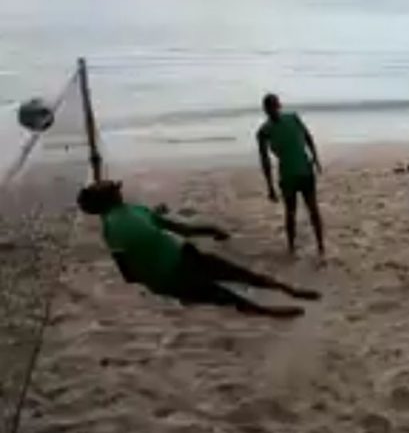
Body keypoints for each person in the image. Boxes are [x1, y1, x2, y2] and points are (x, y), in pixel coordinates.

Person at [77, 181, 321, 318]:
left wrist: (210, 230)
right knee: (229, 291)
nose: (120, 190)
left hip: (184, 259)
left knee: (236, 278)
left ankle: (288, 292)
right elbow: (130, 275)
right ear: (109, 199)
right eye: (114, 189)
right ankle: (273, 308)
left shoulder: (132, 214)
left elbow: (180, 230)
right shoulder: (115, 226)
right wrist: (159, 282)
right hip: (174, 273)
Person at [257, 93, 325, 256]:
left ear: (279, 106)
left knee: (313, 209)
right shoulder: (263, 131)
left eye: (275, 106)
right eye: (270, 108)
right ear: (265, 110)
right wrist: (270, 186)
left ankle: (320, 245)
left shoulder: (293, 118)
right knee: (290, 212)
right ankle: (291, 247)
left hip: (305, 170)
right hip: (287, 176)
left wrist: (315, 158)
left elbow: (308, 137)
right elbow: (265, 160)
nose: (273, 110)